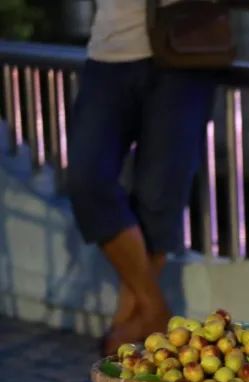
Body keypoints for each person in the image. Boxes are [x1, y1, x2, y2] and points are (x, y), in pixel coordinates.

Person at [67, 0, 218, 356]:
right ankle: (156, 311)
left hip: (186, 53)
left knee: (159, 196)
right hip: (109, 56)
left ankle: (130, 319)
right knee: (86, 180)